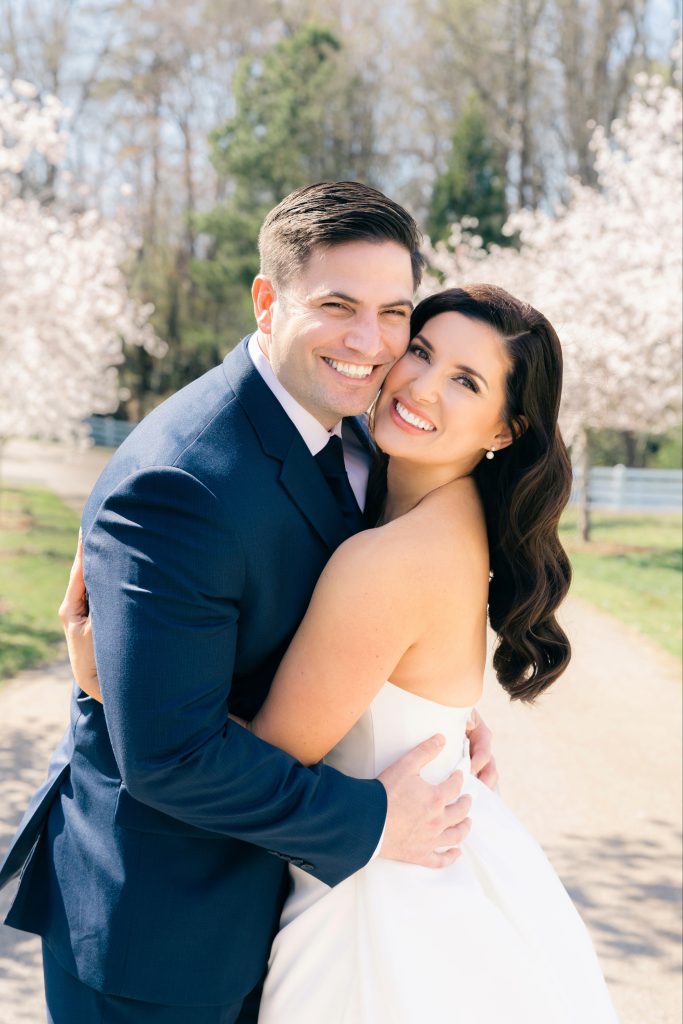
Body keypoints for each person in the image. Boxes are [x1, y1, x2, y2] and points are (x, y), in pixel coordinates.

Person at [0, 182, 496, 1024]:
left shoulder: (351, 431)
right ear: (268, 301)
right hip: (161, 931)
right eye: (336, 304)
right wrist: (374, 817)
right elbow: (170, 757)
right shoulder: (182, 482)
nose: (370, 342)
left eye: (392, 313)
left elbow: (337, 617)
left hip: (269, 911)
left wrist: (409, 710)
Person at [64, 285, 619, 1021]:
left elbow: (268, 755)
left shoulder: (390, 557)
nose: (421, 384)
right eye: (420, 351)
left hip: (380, 901)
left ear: (504, 430)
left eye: (466, 381)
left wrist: (117, 682)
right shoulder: (411, 500)